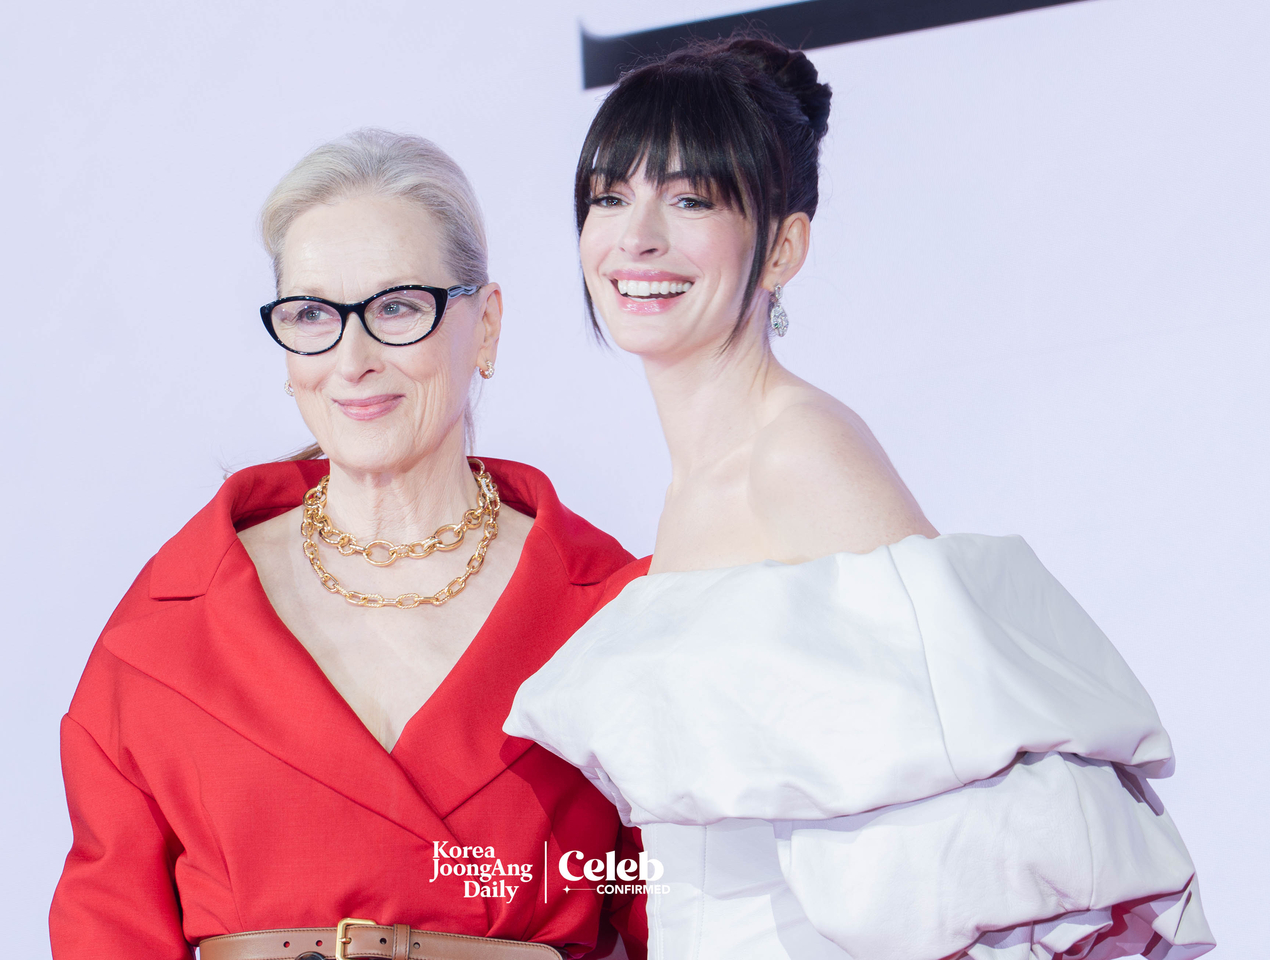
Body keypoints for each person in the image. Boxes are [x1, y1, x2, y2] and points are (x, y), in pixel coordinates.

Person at [504, 38, 1215, 960]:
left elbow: (985, 842)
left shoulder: (801, 455)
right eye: (610, 195)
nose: (635, 237)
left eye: (688, 199)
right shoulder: (697, 485)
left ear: (784, 246)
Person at [51, 129, 644, 960]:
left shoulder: (614, 613)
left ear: (486, 325)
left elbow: (691, 916)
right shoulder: (169, 627)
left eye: (398, 307)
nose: (352, 359)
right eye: (312, 315)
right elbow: (108, 933)